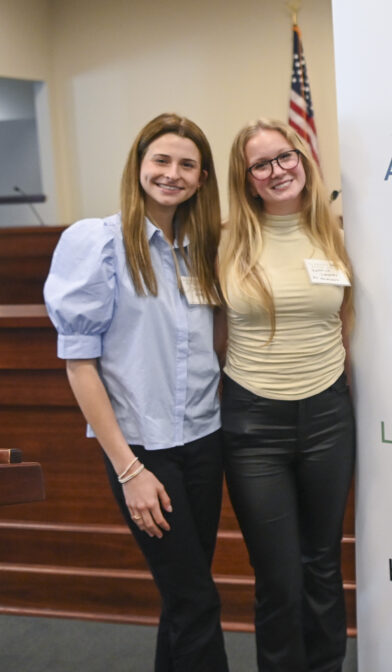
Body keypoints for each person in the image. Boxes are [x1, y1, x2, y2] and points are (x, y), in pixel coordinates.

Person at [43, 113, 228, 671]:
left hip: (204, 439)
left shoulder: (202, 246)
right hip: (142, 449)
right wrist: (128, 470)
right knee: (198, 601)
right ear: (140, 166)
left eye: (186, 165)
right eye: (162, 161)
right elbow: (80, 369)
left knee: (183, 598)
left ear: (201, 178)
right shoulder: (96, 242)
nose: (172, 174)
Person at [219, 118, 355, 672]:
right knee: (278, 576)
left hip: (327, 415)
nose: (278, 171)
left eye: (286, 157)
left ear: (303, 160)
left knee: (323, 564)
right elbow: (210, 335)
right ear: (247, 179)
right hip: (254, 425)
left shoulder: (335, 232)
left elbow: (347, 322)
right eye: (261, 164)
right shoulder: (224, 241)